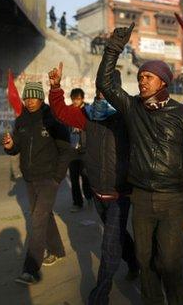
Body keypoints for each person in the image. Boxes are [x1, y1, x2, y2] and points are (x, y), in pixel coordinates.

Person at [96, 22, 183, 304]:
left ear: (163, 82)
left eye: (149, 77)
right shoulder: (132, 108)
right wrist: (114, 48)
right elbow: (105, 84)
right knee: (144, 260)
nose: (142, 81)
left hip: (172, 199)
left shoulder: (181, 114)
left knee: (168, 262)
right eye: (141, 76)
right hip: (141, 197)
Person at [48, 62, 139, 305]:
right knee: (119, 238)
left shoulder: (127, 118)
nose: (102, 93)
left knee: (109, 245)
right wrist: (56, 88)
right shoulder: (88, 115)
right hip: (98, 192)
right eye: (100, 88)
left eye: (107, 89)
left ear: (116, 90)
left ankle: (99, 297)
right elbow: (62, 113)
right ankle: (134, 263)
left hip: (120, 195)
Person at [3, 81, 73, 285]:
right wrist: (10, 145)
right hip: (30, 178)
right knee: (44, 216)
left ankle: (31, 269)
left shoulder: (53, 118)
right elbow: (17, 147)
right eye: (26, 98)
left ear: (41, 98)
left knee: (37, 220)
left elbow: (66, 150)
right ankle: (58, 250)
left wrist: (57, 177)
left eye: (33, 97)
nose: (29, 101)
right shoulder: (22, 120)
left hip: (48, 178)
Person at [67, 87, 93, 212]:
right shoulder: (69, 111)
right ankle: (77, 203)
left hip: (86, 149)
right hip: (72, 150)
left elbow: (92, 129)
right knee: (73, 178)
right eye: (73, 99)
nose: (75, 102)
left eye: (77, 99)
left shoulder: (88, 110)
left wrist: (82, 129)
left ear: (82, 98)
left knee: (86, 176)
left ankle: (89, 197)